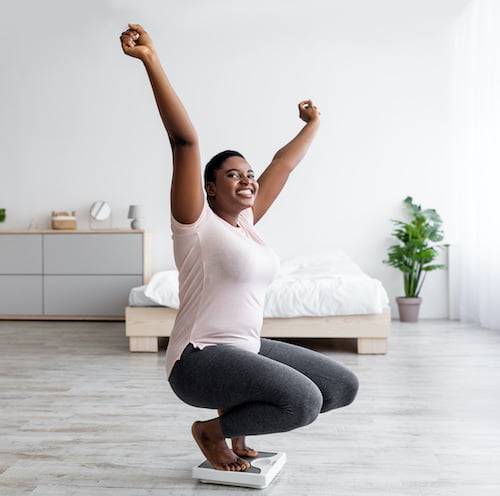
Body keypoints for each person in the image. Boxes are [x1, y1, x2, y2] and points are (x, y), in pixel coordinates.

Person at [120, 24, 359, 472]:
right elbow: (184, 141)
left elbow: (282, 165)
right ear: (208, 188)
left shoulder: (246, 223)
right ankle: (212, 431)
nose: (247, 179)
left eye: (248, 173)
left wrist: (314, 124)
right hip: (198, 360)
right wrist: (151, 59)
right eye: (233, 174)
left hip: (243, 348)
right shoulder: (195, 224)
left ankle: (233, 417)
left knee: (341, 385)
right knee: (303, 401)